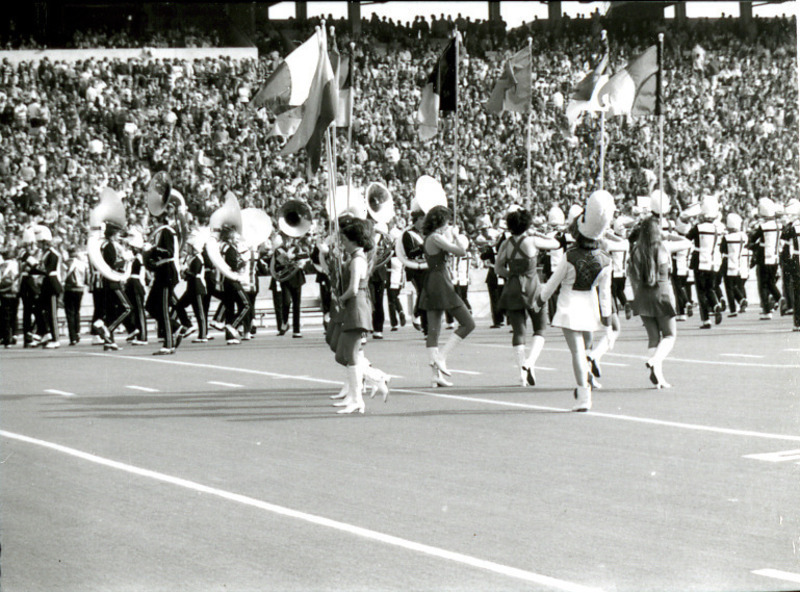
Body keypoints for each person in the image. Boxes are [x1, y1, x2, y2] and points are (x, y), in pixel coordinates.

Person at [534, 191, 615, 412]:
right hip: (590, 306)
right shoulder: (606, 260)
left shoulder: (570, 256)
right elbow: (605, 294)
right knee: (586, 349)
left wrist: (540, 300)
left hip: (570, 306)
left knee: (578, 352)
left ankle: (583, 394)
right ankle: (587, 384)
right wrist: (606, 318)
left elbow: (552, 282)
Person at [494, 207, 559, 386]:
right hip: (533, 287)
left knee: (518, 331)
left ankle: (522, 372)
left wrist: (512, 276)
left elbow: (498, 268)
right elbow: (555, 243)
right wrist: (538, 232)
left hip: (513, 288)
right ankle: (530, 363)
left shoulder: (505, 245)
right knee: (540, 329)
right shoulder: (532, 241)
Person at [628, 215, 692, 389]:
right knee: (670, 335)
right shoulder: (664, 246)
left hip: (642, 294)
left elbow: (632, 276)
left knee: (653, 337)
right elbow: (687, 242)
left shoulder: (635, 250)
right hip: (661, 293)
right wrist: (669, 235)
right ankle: (655, 360)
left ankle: (658, 375)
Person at [418, 205, 476, 388]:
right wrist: (458, 236)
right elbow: (461, 251)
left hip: (434, 280)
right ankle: (441, 357)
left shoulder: (431, 237)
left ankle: (435, 375)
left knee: (434, 330)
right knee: (468, 323)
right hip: (440, 281)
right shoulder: (435, 237)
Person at [330, 217, 383, 414]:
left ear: (353, 240)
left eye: (345, 240)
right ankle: (356, 394)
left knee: (351, 355)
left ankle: (357, 398)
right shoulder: (357, 258)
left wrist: (339, 299)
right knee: (346, 354)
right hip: (356, 305)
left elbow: (352, 289)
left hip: (356, 306)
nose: (342, 243)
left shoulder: (357, 260)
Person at [687, 195, 723, 328]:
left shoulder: (699, 227)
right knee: (710, 288)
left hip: (700, 261)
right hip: (714, 262)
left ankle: (706, 319)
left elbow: (687, 238)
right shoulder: (718, 228)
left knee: (701, 291)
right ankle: (715, 305)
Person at [748, 197, 782, 320]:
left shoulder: (763, 226)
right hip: (775, 258)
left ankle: (767, 310)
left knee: (762, 284)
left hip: (764, 258)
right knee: (771, 282)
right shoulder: (779, 226)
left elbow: (752, 240)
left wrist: (754, 245)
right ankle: (779, 298)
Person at [395, 209, 428, 333]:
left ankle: (418, 315)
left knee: (426, 294)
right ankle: (421, 320)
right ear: (416, 220)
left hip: (426, 267)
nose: (424, 222)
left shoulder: (426, 233)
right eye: (421, 219)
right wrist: (422, 247)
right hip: (415, 268)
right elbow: (410, 253)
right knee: (423, 292)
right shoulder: (408, 234)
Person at [36, 225, 64, 348]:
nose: (38, 245)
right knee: (39, 309)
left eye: (40, 243)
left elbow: (47, 270)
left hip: (52, 284)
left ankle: (55, 338)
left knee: (52, 313)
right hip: (46, 284)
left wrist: (33, 267)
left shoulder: (52, 254)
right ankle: (45, 333)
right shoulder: (46, 253)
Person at [720, 212, 748, 317]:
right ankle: (741, 299)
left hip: (729, 261)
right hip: (739, 261)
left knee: (729, 287)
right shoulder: (743, 236)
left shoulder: (727, 238)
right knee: (735, 285)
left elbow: (722, 250)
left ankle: (733, 309)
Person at [63, 246, 87, 346]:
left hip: (69, 289)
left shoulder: (65, 264)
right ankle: (77, 333)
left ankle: (72, 337)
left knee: (70, 313)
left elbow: (63, 277)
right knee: (77, 311)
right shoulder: (82, 264)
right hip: (80, 289)